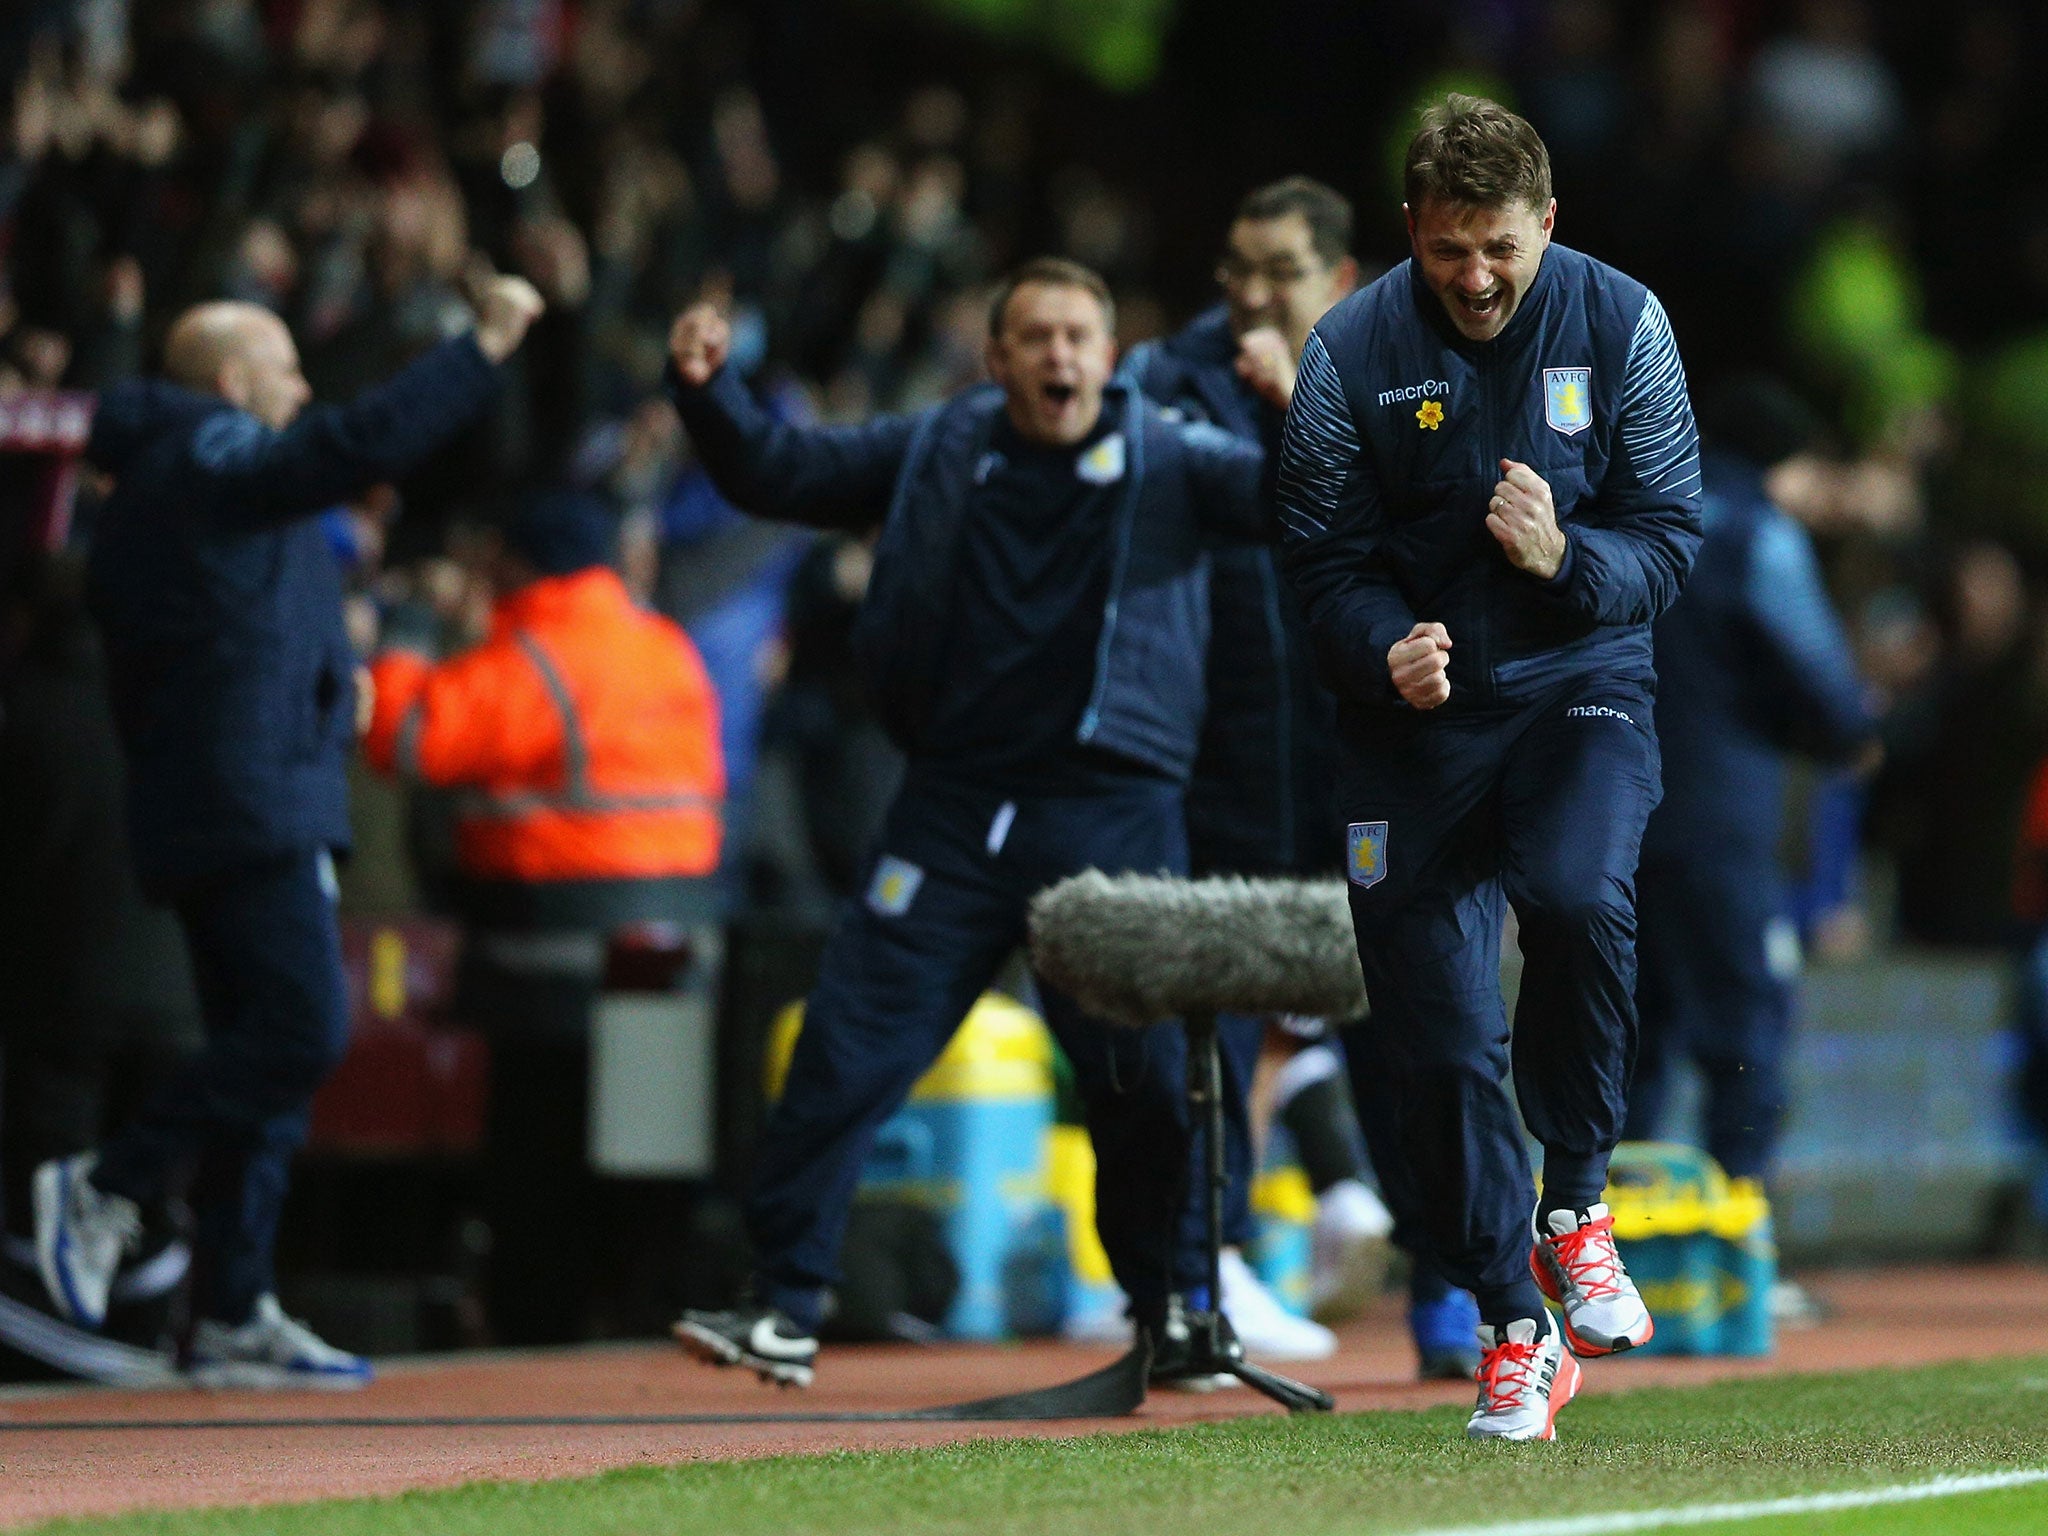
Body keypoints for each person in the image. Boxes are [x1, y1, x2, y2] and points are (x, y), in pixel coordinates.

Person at [663, 257, 1266, 1388]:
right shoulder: (940, 445)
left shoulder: (1171, 453)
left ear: (1108, 351)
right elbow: (780, 469)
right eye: (1033, 337)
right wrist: (707, 392)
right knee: (844, 1044)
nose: (1058, 357)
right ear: (994, 360)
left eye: (1077, 336)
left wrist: (1289, 404)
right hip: (952, 806)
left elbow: (1304, 503)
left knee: (1139, 1085)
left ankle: (1175, 1310)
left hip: (1112, 809)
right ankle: (784, 1302)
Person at [1275, 95, 1703, 1440]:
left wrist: (1565, 560)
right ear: (1411, 231)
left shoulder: (1624, 323)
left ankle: (1576, 1199)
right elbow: (1316, 568)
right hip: (1409, 730)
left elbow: (1672, 537)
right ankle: (1515, 1327)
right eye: (1450, 247)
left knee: (1578, 893)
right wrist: (1379, 647)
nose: (1475, 276)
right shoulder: (1346, 353)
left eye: (1500, 248)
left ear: (1548, 226)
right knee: (1438, 1039)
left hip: (1581, 689)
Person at [34, 278, 544, 1387]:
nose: (304, 390)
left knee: (263, 1054)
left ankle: (230, 1305)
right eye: (285, 368)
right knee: (303, 1031)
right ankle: (107, 1187)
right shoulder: (207, 450)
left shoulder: (182, 476)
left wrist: (328, 686)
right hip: (245, 796)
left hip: (248, 786)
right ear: (230, 384)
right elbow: (340, 451)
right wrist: (482, 346)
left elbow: (231, 620)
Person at [1123, 177, 1415, 1369]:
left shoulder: (1399, 370)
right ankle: (1209, 1263)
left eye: (1275, 272)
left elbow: (1425, 533)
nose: (1245, 295)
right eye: (1232, 269)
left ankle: (1444, 1271)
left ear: (1335, 278)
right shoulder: (1163, 380)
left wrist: (1310, 418)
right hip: (1220, 747)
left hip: (1361, 749)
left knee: (1381, 1004)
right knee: (1226, 1010)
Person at [361, 488, 726, 1344]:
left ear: (512, 562)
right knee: (647, 1178)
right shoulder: (667, 647)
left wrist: (411, 628)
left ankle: (540, 1353)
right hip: (673, 961)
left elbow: (405, 737)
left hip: (555, 974)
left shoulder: (531, 659)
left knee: (541, 1185)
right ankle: (645, 1343)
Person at [1623, 377, 1878, 1198]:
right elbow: (1814, 666)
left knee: (1631, 1037)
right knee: (1744, 1025)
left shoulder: (1632, 508)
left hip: (1615, 815)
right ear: (1783, 461)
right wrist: (1850, 732)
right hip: (1719, 823)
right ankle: (1741, 1243)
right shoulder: (1754, 531)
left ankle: (1612, 1248)